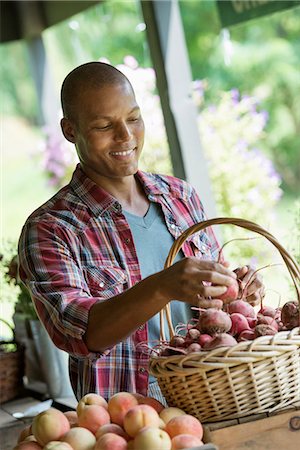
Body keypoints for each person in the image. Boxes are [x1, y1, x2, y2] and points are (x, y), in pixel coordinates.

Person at [18, 62, 264, 403]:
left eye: (133, 118)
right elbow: (79, 335)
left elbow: (214, 302)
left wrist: (238, 294)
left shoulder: (181, 196)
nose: (126, 136)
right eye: (105, 125)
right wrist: (162, 286)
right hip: (130, 418)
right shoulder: (51, 229)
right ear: (70, 130)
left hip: (215, 394)